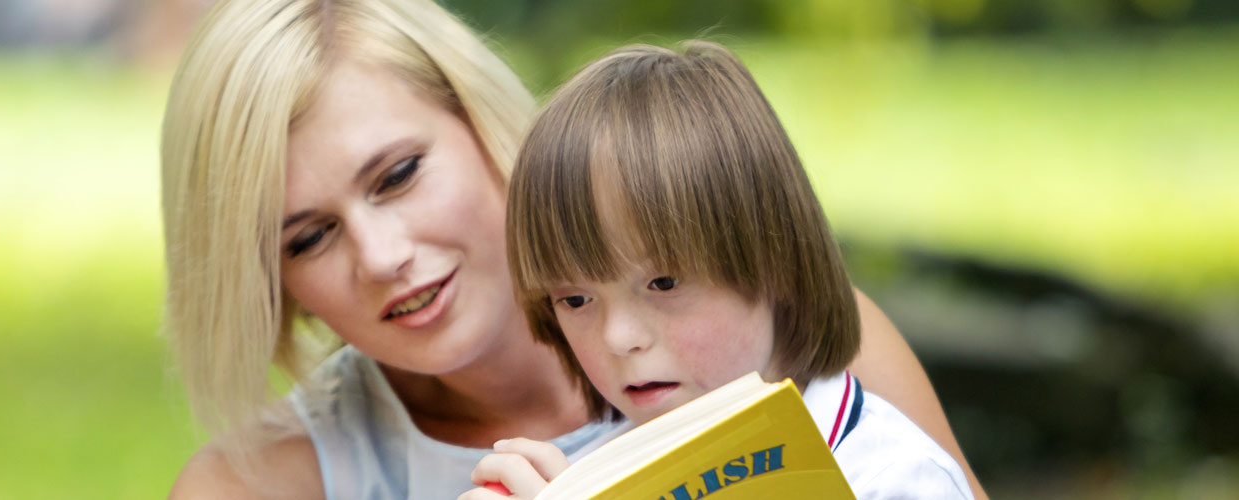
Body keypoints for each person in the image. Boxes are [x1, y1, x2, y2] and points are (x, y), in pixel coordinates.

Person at [161, 1, 986, 499]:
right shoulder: (258, 484)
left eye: (399, 175)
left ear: (481, 124)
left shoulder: (795, 344)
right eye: (308, 236)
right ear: (276, 285)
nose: (381, 256)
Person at [459, 41, 974, 499]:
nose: (619, 337)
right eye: (575, 300)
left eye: (663, 283)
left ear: (774, 263)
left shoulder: (893, 479)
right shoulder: (590, 477)